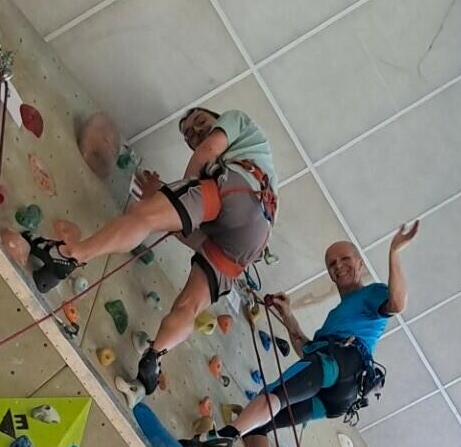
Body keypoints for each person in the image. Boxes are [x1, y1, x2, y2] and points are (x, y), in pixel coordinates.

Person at [22, 106, 278, 396]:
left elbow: (207, 151)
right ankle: (154, 357)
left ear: (218, 118)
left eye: (200, 122)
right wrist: (169, 198)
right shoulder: (259, 172)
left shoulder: (239, 120)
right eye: (190, 136)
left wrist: (171, 193)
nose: (196, 133)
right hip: (251, 241)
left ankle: (69, 256)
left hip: (241, 193)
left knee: (142, 215)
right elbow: (191, 236)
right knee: (189, 307)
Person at [182, 226, 419, 447]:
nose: (338, 266)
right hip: (337, 393)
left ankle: (226, 436)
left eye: (345, 259)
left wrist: (394, 252)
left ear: (359, 263)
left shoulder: (373, 294)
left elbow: (397, 304)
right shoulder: (337, 317)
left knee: (272, 396)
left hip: (343, 362)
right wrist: (288, 316)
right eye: (332, 264)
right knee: (258, 424)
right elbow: (306, 352)